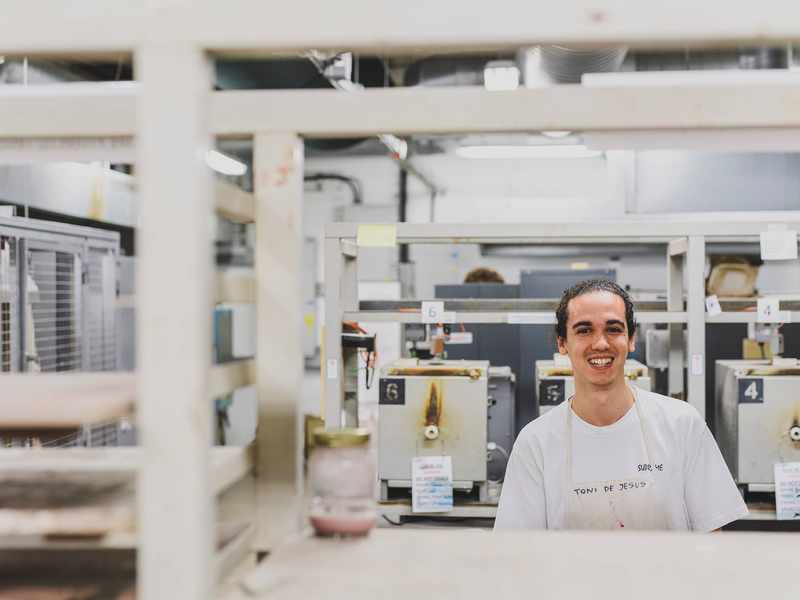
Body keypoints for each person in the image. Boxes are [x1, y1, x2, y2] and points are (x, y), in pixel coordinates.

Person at [494, 279, 747, 531]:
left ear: (631, 338)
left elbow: (713, 536)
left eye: (613, 329)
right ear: (562, 342)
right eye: (584, 330)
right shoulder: (536, 443)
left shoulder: (681, 424)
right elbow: (519, 551)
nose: (601, 343)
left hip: (667, 572)